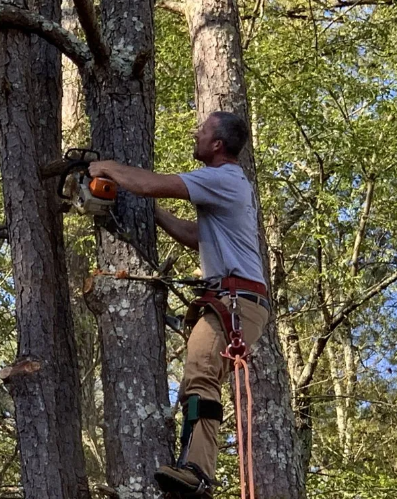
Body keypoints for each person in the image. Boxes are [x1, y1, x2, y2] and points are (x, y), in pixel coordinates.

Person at [88, 111, 270, 498]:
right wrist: (150, 211)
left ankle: (197, 471)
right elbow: (192, 233)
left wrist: (107, 167)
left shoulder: (221, 178)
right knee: (196, 379)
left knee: (201, 373)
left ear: (217, 144)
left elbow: (153, 184)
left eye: (203, 130)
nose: (196, 133)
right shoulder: (228, 186)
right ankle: (194, 470)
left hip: (236, 300)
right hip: (236, 299)